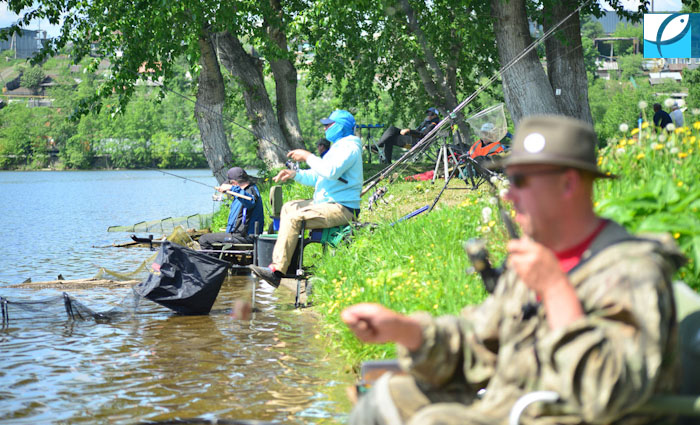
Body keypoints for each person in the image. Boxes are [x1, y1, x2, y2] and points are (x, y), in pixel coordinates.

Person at [342, 115, 684, 425]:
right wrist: (405, 330)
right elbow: (480, 345)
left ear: (567, 185)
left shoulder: (631, 271)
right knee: (388, 395)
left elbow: (609, 394)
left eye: (520, 180)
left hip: (557, 416)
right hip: (506, 408)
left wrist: (554, 289)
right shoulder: (537, 259)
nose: (508, 195)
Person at [249, 109, 363, 287]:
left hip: (343, 208)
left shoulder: (350, 147)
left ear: (340, 127)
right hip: (328, 202)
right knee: (289, 207)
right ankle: (290, 262)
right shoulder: (338, 148)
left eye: (328, 125)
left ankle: (276, 272)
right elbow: (319, 175)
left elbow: (329, 172)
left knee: (295, 217)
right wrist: (295, 174)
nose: (325, 128)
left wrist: (308, 156)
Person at [198, 167, 263, 251]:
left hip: (244, 238)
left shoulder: (250, 192)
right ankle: (221, 260)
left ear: (234, 183)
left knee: (204, 239)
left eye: (231, 184)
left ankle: (215, 263)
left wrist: (232, 188)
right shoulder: (242, 192)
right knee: (213, 238)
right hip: (237, 235)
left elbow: (249, 201)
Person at [376, 107, 440, 164]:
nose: (429, 116)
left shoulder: (433, 125)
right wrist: (409, 132)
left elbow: (422, 134)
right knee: (390, 133)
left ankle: (377, 146)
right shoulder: (426, 123)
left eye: (431, 114)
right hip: (413, 140)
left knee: (390, 135)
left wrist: (409, 131)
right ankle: (385, 159)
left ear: (435, 115)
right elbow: (418, 131)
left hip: (414, 143)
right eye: (428, 114)